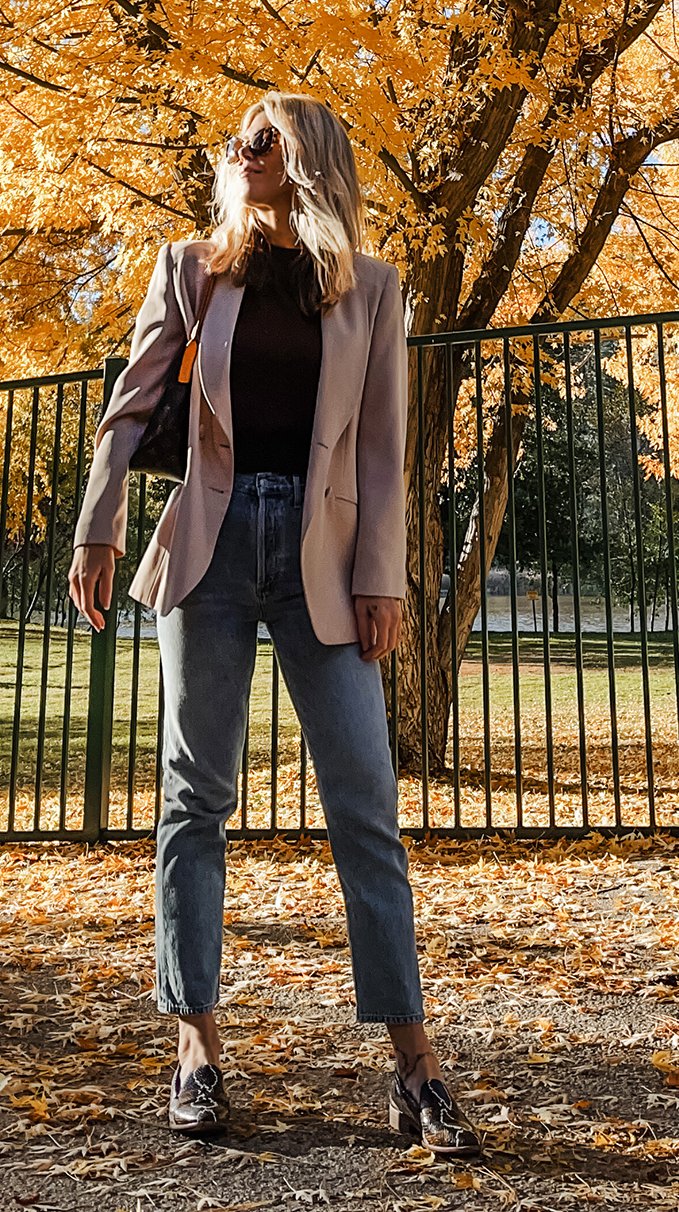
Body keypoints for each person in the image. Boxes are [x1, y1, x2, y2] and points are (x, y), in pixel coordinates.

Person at [68, 95, 478, 1156]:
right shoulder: (192, 266)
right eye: (238, 142)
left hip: (324, 558)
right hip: (207, 546)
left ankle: (414, 1064)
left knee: (365, 804)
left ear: (307, 161)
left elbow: (384, 447)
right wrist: (98, 524)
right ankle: (195, 1045)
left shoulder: (371, 287)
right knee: (194, 796)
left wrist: (382, 574)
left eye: (264, 141)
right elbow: (130, 402)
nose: (242, 155)